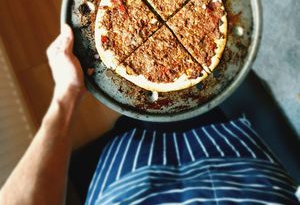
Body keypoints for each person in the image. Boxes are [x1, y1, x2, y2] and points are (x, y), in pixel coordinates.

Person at [0, 24, 299, 205]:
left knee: (135, 123)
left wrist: (67, 94)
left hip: (128, 177)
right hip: (244, 172)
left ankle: (136, 122)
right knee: (223, 97)